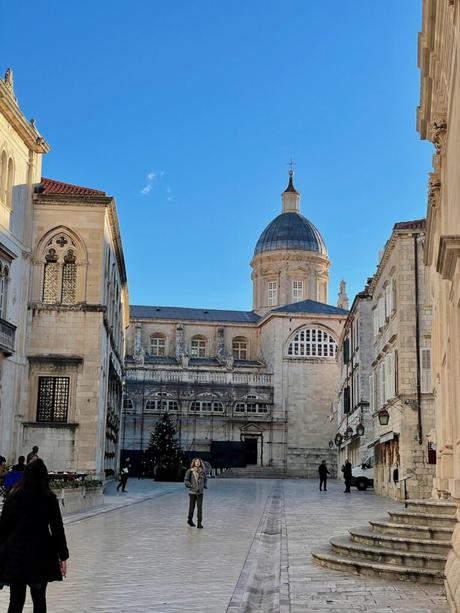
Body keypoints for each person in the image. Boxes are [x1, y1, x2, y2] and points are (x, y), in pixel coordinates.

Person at [0, 458, 69, 613]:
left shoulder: (14, 495)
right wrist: (63, 556)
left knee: (16, 600)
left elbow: (3, 526)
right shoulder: (49, 497)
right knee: (39, 599)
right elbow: (57, 528)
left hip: (17, 552)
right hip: (41, 552)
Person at [184, 457, 207, 529]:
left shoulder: (202, 471)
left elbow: (205, 479)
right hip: (192, 492)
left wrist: (204, 485)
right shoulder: (189, 471)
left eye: (199, 462)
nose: (197, 463)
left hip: (200, 492)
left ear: (200, 463)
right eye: (196, 461)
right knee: (192, 507)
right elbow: (186, 480)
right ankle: (189, 520)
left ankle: (199, 523)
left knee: (199, 508)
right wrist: (190, 485)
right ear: (193, 463)